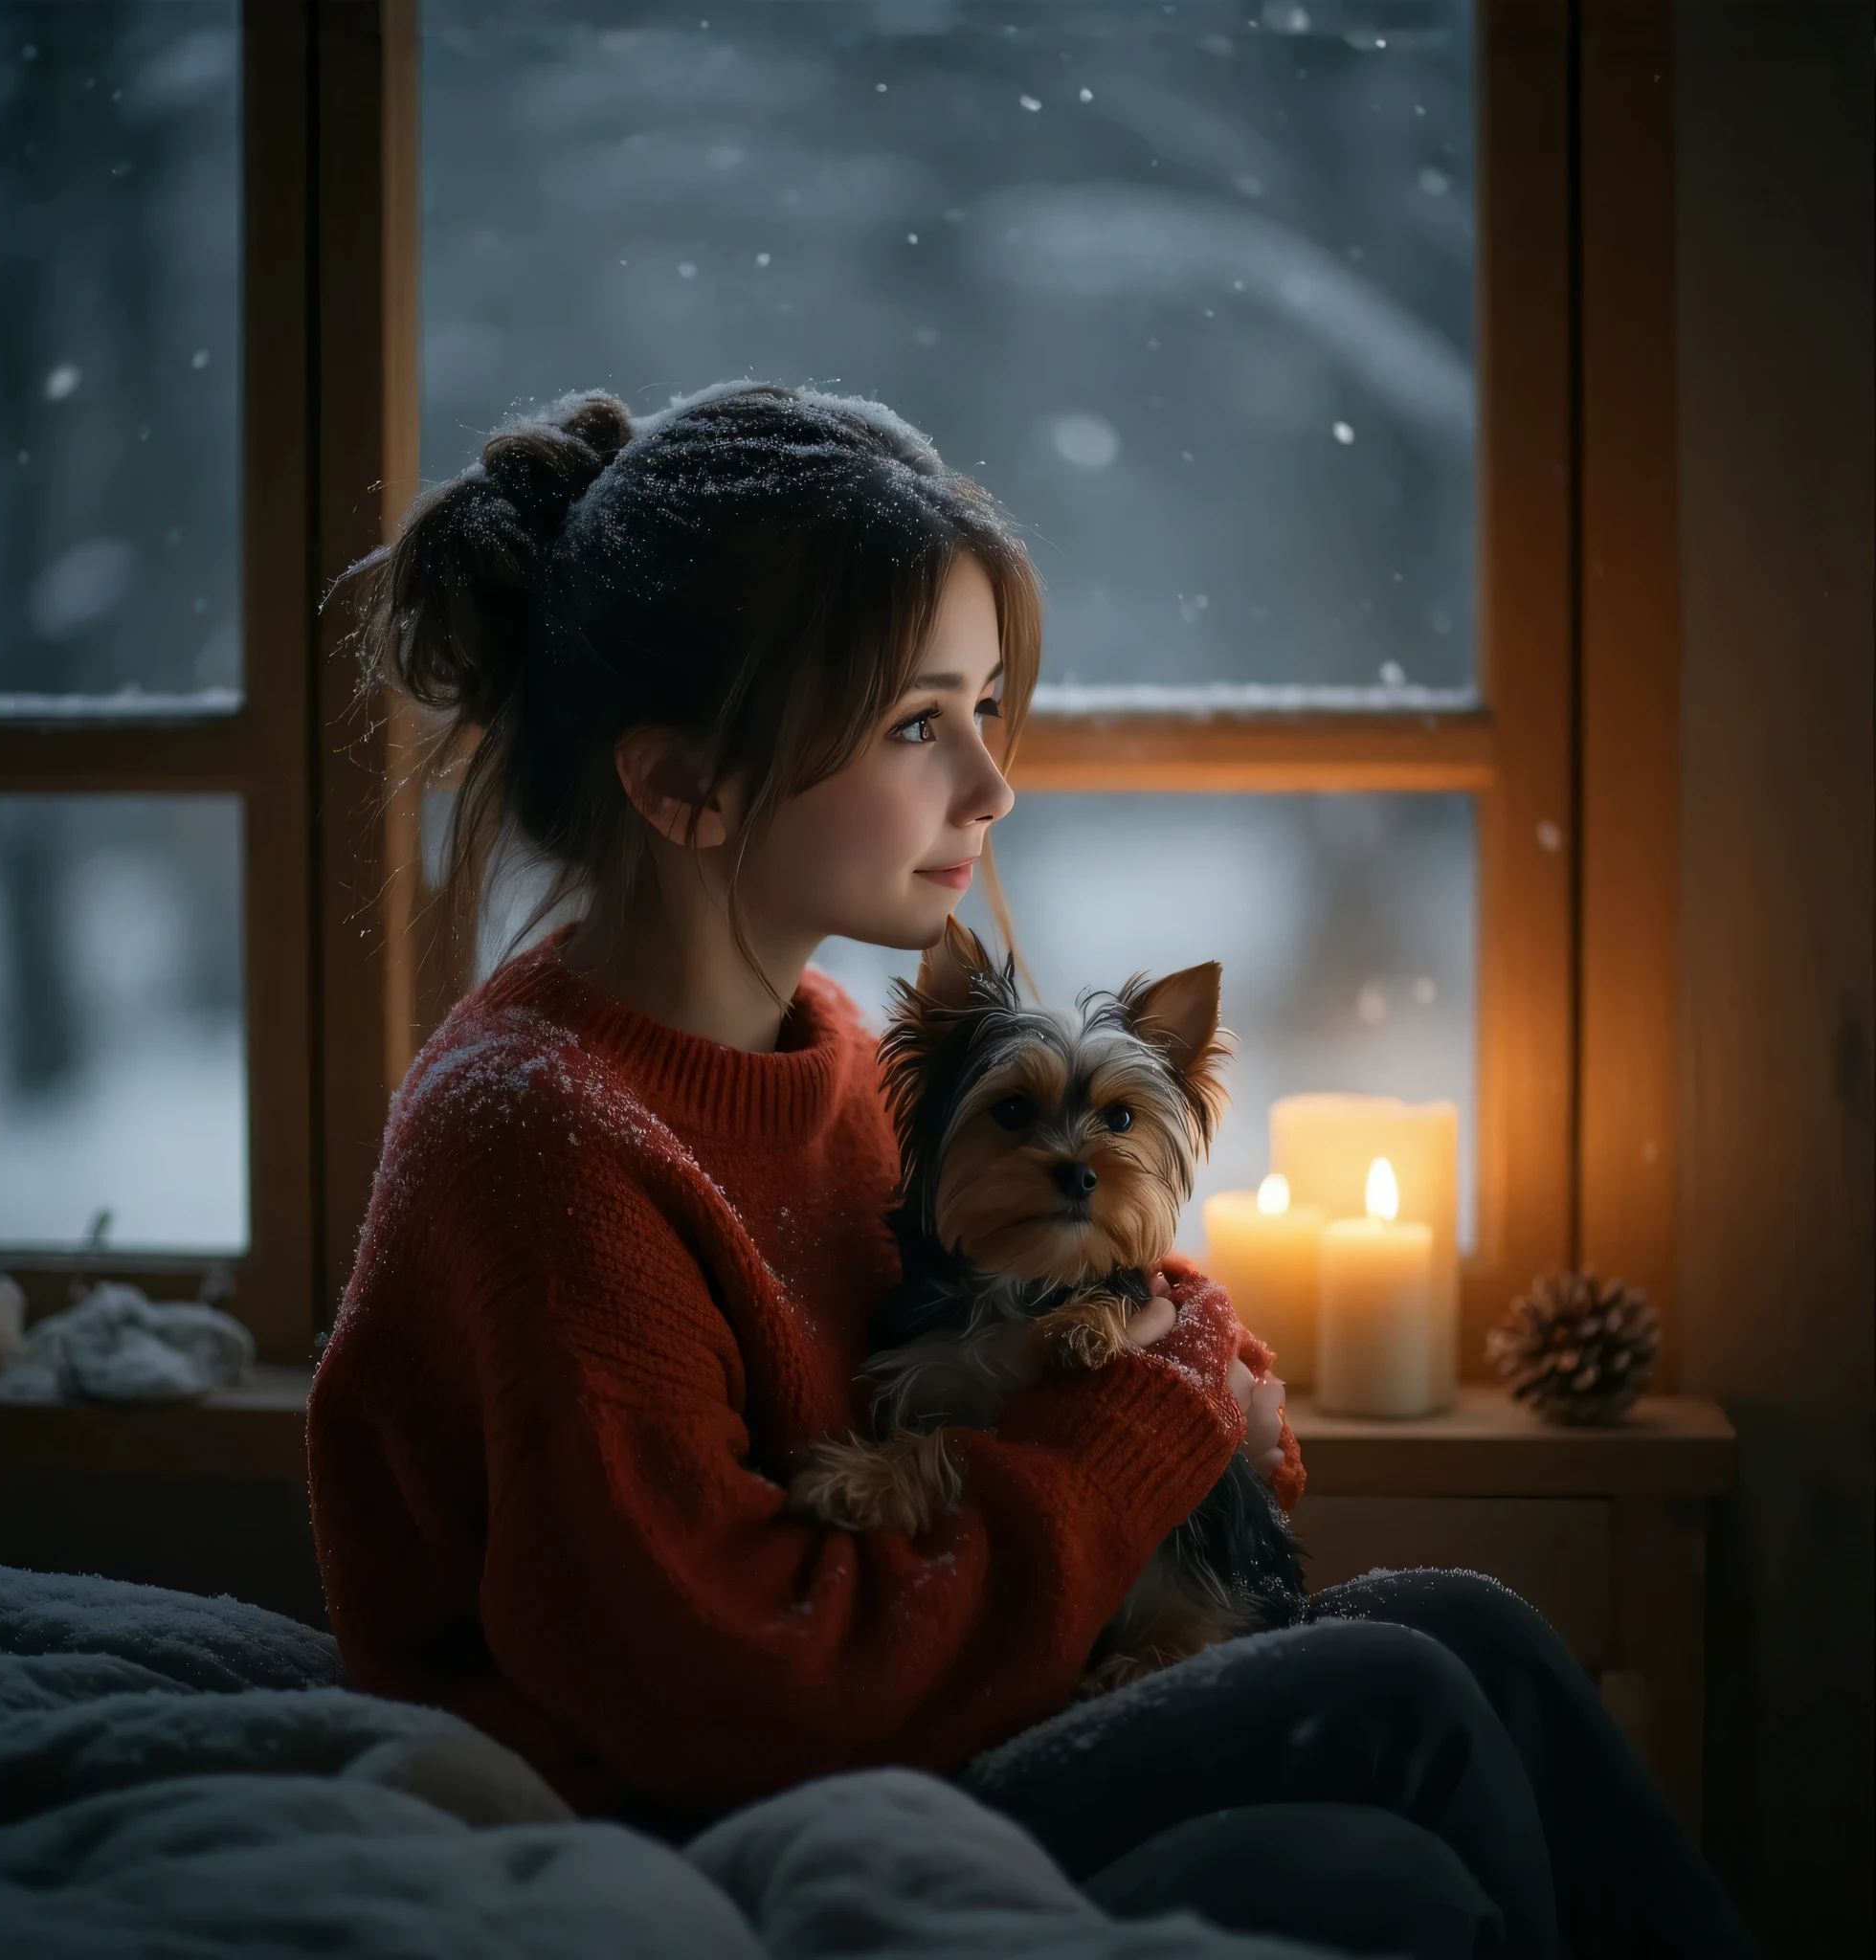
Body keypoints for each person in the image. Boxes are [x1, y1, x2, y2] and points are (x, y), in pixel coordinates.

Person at [308, 382, 1757, 1960]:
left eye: (990, 710)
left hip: (934, 1690)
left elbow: (1124, 1315)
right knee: (1388, 1739)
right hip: (720, 1808)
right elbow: (737, 1681)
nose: (991, 788)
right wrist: (1151, 1421)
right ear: (683, 787)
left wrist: (1172, 1374)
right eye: (920, 725)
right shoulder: (541, 1147)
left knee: (1461, 1629)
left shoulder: (835, 1052)